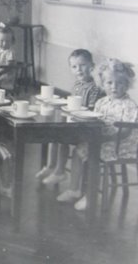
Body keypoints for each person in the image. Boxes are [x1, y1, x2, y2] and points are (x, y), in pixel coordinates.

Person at [57, 58, 138, 210]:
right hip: (102, 139)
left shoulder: (129, 105)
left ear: (127, 85)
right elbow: (96, 120)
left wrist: (106, 138)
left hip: (120, 144)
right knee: (79, 150)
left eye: (119, 83)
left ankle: (90, 196)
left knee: (92, 152)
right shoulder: (103, 102)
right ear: (103, 84)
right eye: (109, 83)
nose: (114, 87)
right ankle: (74, 189)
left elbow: (127, 131)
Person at [36, 49, 104, 185]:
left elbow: (90, 111)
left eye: (83, 65)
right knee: (54, 135)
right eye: (74, 66)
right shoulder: (77, 85)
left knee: (62, 138)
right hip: (75, 122)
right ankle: (51, 166)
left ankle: (60, 171)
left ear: (92, 66)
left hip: (86, 127)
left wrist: (73, 112)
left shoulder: (94, 88)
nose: (79, 69)